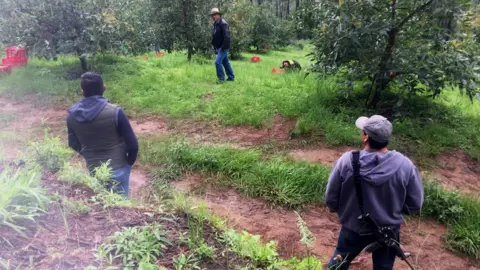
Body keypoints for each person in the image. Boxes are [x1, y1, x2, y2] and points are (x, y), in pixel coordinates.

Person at [325, 115, 424, 270]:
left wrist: (343, 211)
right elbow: (415, 204)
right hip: (388, 231)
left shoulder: (347, 160)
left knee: (338, 263)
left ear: (366, 137)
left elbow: (331, 197)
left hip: (353, 227)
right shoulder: (405, 165)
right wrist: (392, 213)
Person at [66, 72, 138, 197]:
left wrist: (88, 153)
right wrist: (128, 162)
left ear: (82, 91)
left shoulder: (72, 116)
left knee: (102, 206)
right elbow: (133, 144)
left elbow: (72, 143)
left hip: (94, 169)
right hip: (118, 167)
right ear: (104, 88)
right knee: (120, 208)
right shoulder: (115, 111)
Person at [211, 8, 235, 83]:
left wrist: (223, 47)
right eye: (212, 15)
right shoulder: (216, 23)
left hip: (223, 47)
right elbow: (216, 35)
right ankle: (231, 77)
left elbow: (227, 36)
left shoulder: (223, 23)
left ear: (218, 15)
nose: (213, 16)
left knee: (217, 62)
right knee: (225, 62)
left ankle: (221, 79)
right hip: (219, 47)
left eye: (214, 15)